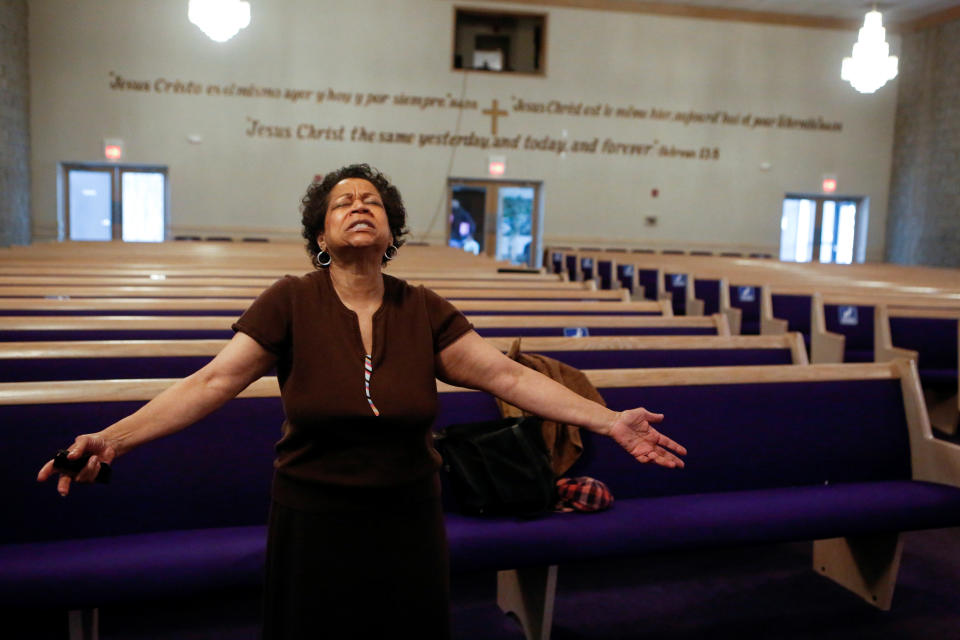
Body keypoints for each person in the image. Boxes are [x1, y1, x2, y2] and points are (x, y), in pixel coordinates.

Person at [37, 163, 686, 639]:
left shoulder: (423, 308)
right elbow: (209, 383)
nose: (358, 206)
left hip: (407, 518)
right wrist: (113, 438)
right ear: (321, 234)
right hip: (314, 517)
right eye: (343, 201)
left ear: (390, 231)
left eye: (371, 201)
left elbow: (508, 378)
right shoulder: (289, 301)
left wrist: (610, 419)